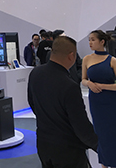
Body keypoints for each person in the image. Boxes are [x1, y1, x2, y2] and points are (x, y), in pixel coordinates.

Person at [28, 36, 98, 168]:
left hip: (43, 143)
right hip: (68, 149)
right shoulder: (69, 85)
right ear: (71, 56)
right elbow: (80, 124)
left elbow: (32, 102)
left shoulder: (35, 73)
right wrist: (99, 146)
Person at [82, 30, 116, 168]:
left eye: (93, 40)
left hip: (111, 101)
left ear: (102, 42)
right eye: (89, 40)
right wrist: (89, 83)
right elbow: (83, 79)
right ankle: (104, 164)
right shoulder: (87, 59)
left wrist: (102, 86)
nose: (90, 43)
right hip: (96, 101)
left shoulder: (112, 60)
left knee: (113, 133)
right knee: (100, 134)